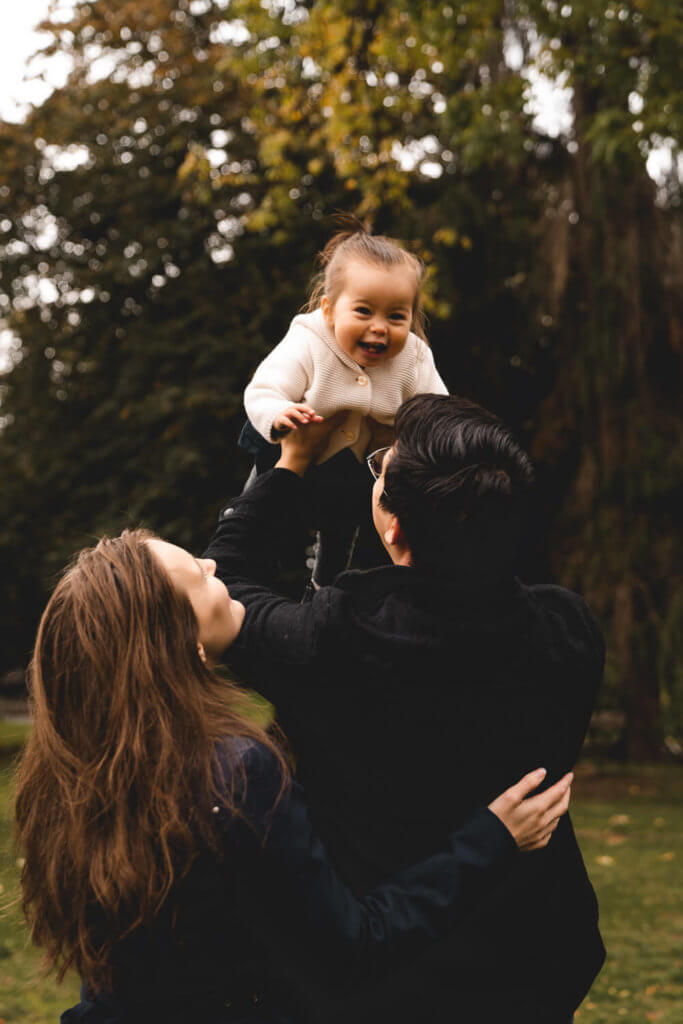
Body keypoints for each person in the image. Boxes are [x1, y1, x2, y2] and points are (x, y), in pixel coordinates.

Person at [14, 528, 573, 1024]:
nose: (213, 564)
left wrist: (287, 467)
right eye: (199, 576)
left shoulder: (73, 776)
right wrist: (492, 838)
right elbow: (354, 947)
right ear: (184, 644)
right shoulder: (234, 776)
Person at [204, 393, 606, 1023]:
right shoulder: (569, 630)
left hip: (385, 974)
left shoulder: (333, 641)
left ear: (392, 527)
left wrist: (290, 465)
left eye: (381, 468)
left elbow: (224, 587)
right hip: (532, 962)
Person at [238, 228, 447, 585]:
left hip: (352, 468)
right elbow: (264, 388)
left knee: (343, 529)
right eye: (364, 311)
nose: (379, 328)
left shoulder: (414, 357)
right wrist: (278, 413)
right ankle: (244, 569)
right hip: (290, 446)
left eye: (396, 317)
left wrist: (416, 443)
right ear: (330, 310)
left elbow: (438, 413)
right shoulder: (309, 338)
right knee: (263, 508)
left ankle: (324, 586)